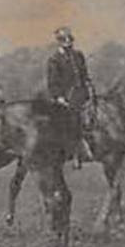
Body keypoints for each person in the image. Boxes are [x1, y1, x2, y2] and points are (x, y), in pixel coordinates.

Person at [46, 26, 96, 164]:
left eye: (70, 39)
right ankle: (76, 152)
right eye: (64, 40)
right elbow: (53, 82)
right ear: (59, 42)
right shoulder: (54, 60)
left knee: (96, 113)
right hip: (66, 97)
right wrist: (59, 97)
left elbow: (84, 74)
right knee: (73, 120)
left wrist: (89, 86)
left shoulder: (78, 55)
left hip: (82, 93)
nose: (68, 42)